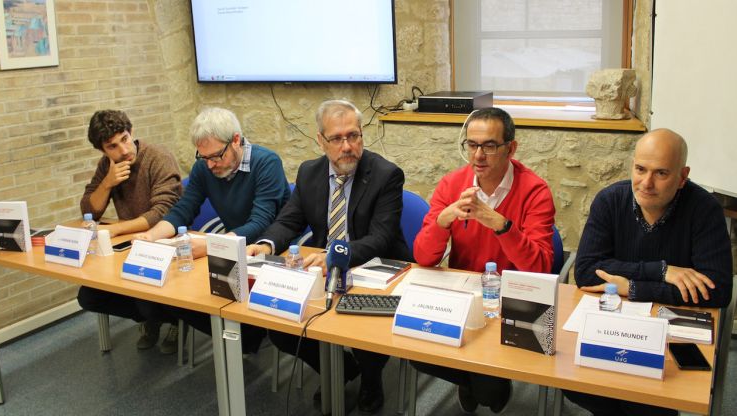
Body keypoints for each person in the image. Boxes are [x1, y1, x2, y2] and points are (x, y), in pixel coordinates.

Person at [246, 99, 412, 413]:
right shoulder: (310, 172)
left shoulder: (386, 174)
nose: (347, 146)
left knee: (361, 330)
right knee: (282, 329)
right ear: (321, 141)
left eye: (354, 135)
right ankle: (338, 369)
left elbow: (380, 238)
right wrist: (266, 245)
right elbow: (289, 220)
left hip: (377, 269)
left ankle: (370, 378)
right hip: (324, 270)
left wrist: (336, 255)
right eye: (337, 138)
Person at [565, 128, 733, 416]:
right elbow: (586, 271)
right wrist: (662, 271)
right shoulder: (610, 201)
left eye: (661, 173)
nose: (646, 183)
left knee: (653, 399)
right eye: (640, 169)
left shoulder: (705, 210)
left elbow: (716, 290)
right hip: (614, 322)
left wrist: (631, 287)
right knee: (576, 381)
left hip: (668, 333)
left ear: (682, 177)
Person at [412, 107, 556, 414]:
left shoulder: (535, 190)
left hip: (513, 300)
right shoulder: (452, 184)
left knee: (490, 393)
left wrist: (501, 225)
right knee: (415, 350)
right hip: (464, 295)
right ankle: (474, 377)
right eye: (472, 145)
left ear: (510, 148)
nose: (478, 155)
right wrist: (444, 220)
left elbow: (541, 267)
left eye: (489, 146)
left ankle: (483, 379)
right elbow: (423, 256)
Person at [136, 107, 291, 354]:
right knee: (176, 296)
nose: (210, 164)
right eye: (203, 157)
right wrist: (150, 236)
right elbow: (183, 210)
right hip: (231, 248)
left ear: (236, 141)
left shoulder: (266, 162)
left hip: (270, 248)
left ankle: (251, 336)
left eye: (216, 156)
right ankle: (242, 336)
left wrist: (211, 245)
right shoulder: (204, 168)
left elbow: (261, 222)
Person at [77, 109, 182, 351]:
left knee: (145, 300)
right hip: (129, 245)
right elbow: (89, 211)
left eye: (124, 139)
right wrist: (107, 183)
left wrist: (116, 230)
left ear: (131, 132)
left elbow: (162, 212)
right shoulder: (107, 166)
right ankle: (150, 317)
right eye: (112, 146)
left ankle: (175, 319)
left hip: (164, 241)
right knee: (88, 297)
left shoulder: (158, 157)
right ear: (103, 150)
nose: (123, 151)